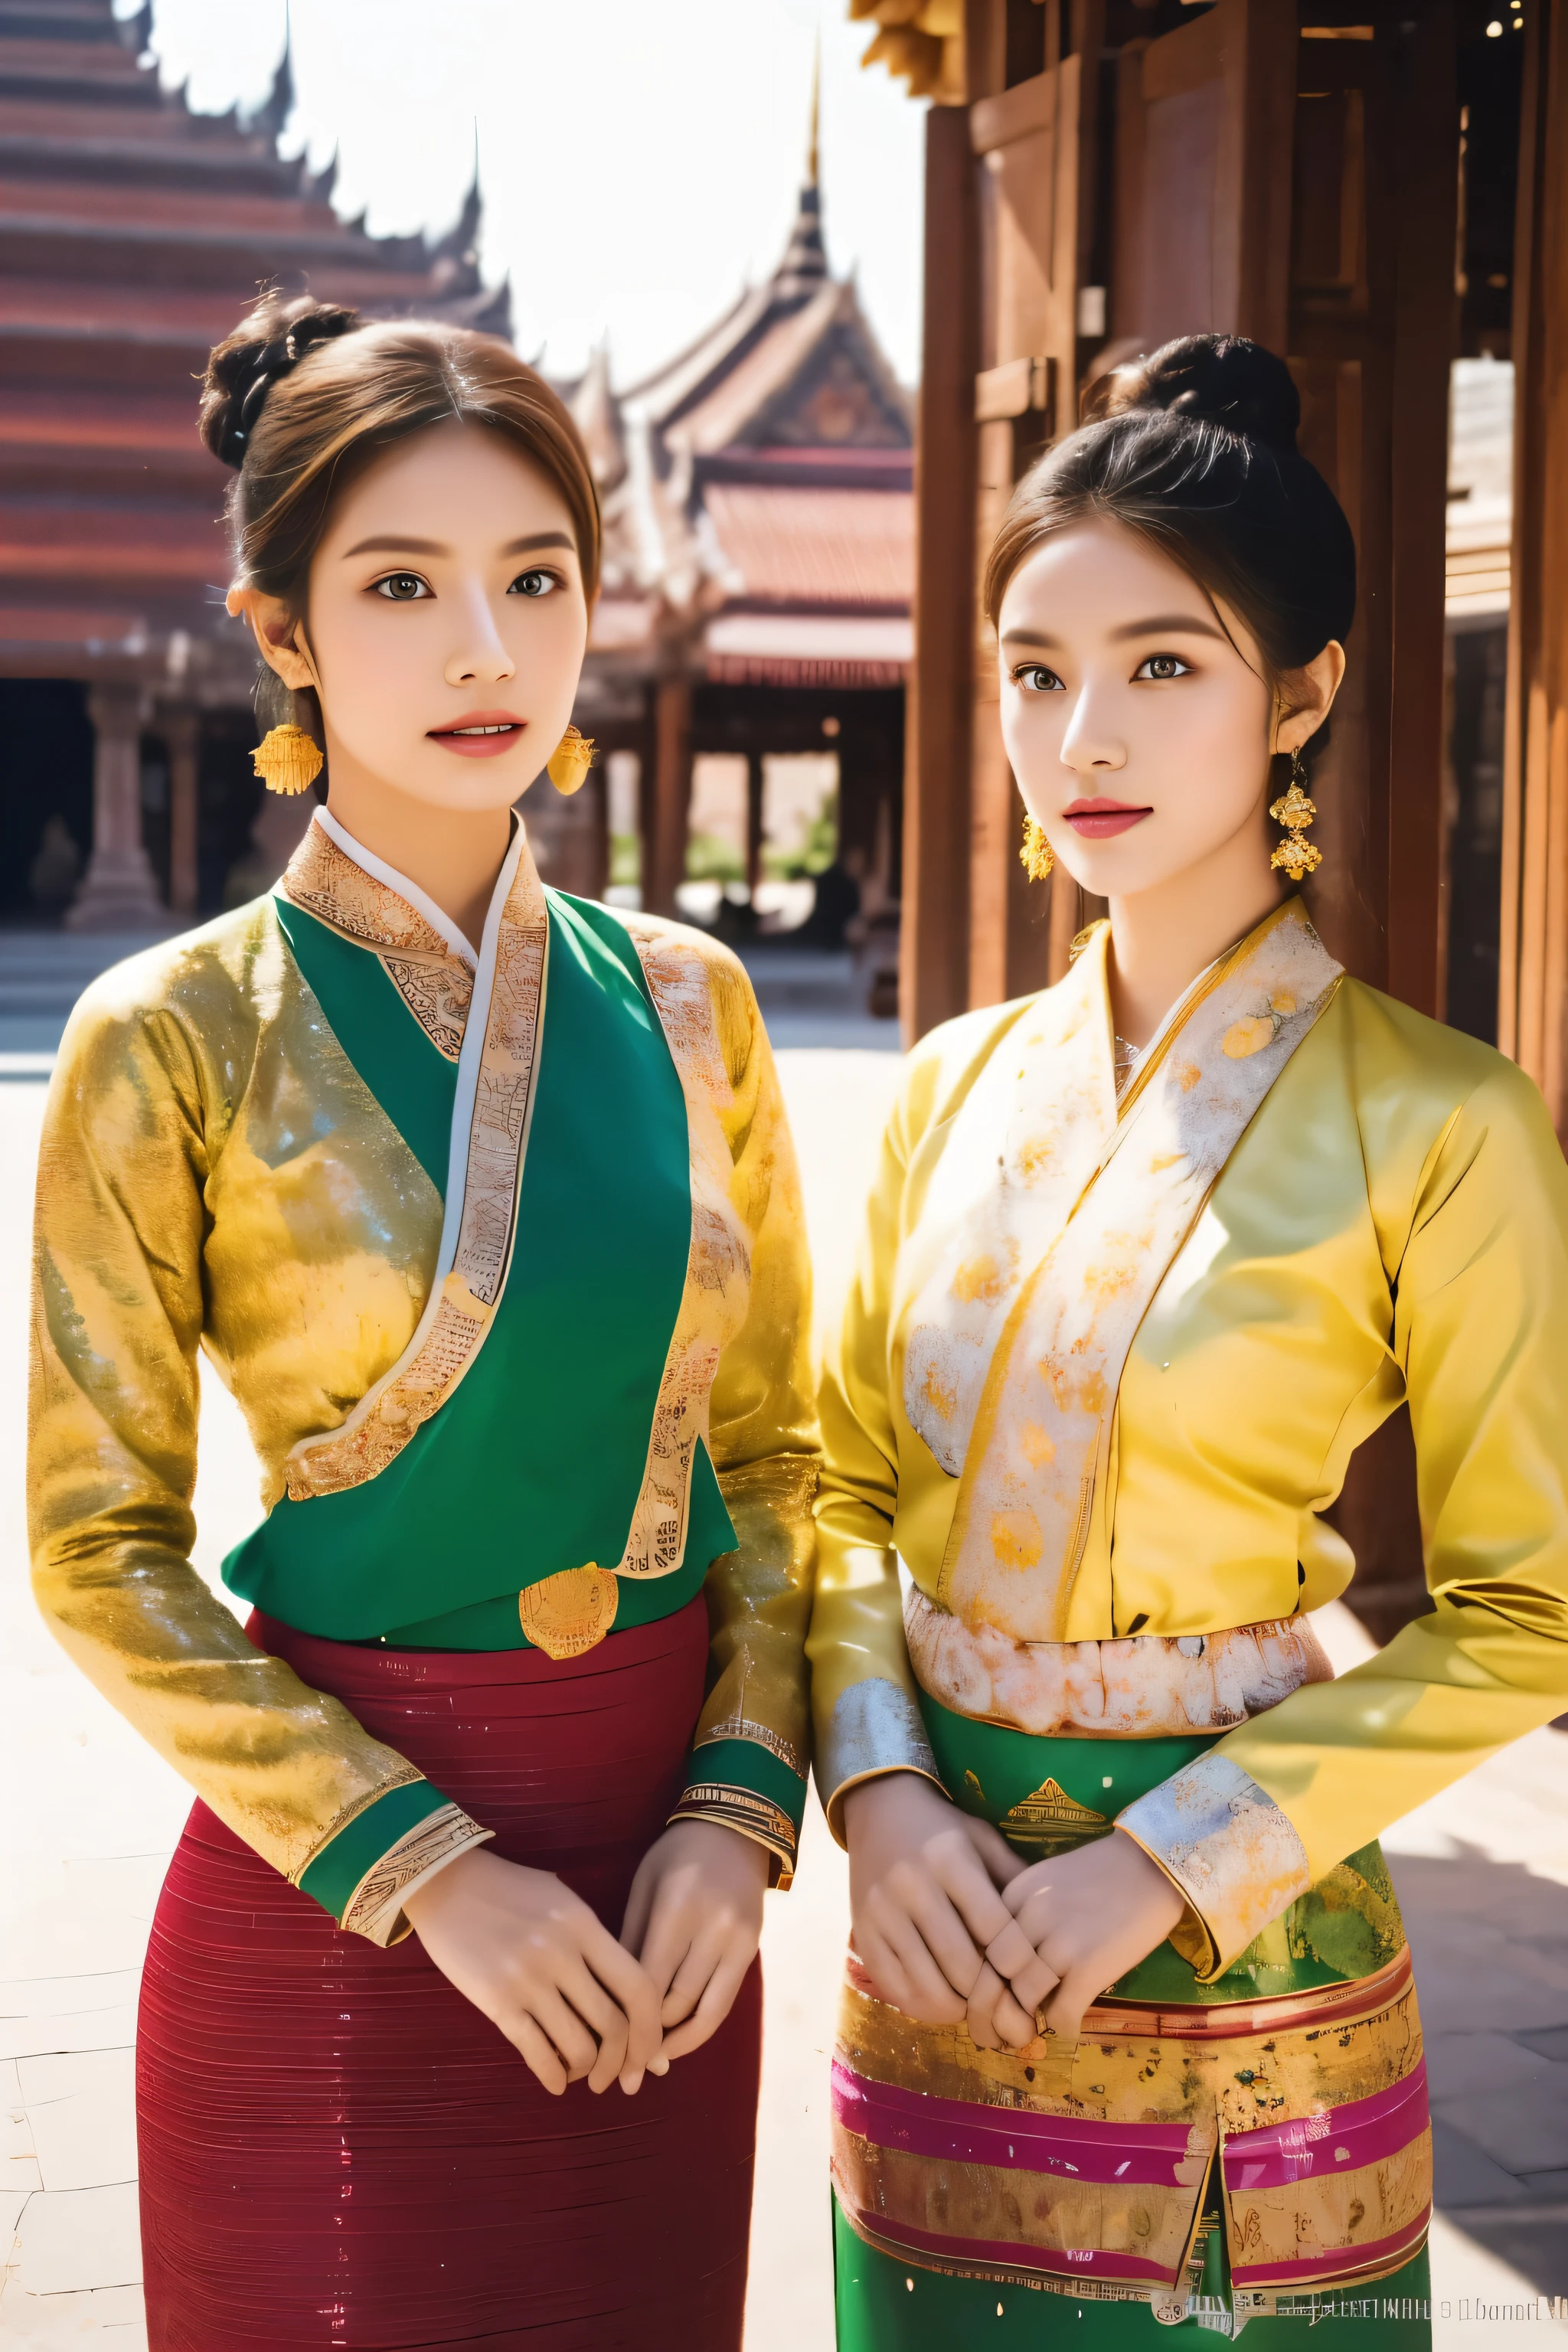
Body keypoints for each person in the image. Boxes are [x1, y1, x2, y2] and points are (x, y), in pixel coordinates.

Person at [28, 292, 818, 2352]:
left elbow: (788, 1462)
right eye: (401, 584)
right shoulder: (173, 1037)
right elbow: (93, 1549)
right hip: (341, 1916)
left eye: (534, 576)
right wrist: (427, 1866)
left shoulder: (689, 1001)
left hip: (661, 1935)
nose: (487, 648)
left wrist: (739, 1823)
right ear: (281, 629)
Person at [807, 335, 1568, 2346]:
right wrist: (881, 1801)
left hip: (1242, 1959)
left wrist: (1156, 1870)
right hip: (936, 1944)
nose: (1084, 737)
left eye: (1164, 665)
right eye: (1036, 671)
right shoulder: (948, 1089)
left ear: (1300, 695)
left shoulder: (1442, 1118)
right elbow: (833, 1494)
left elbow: (1528, 1616)